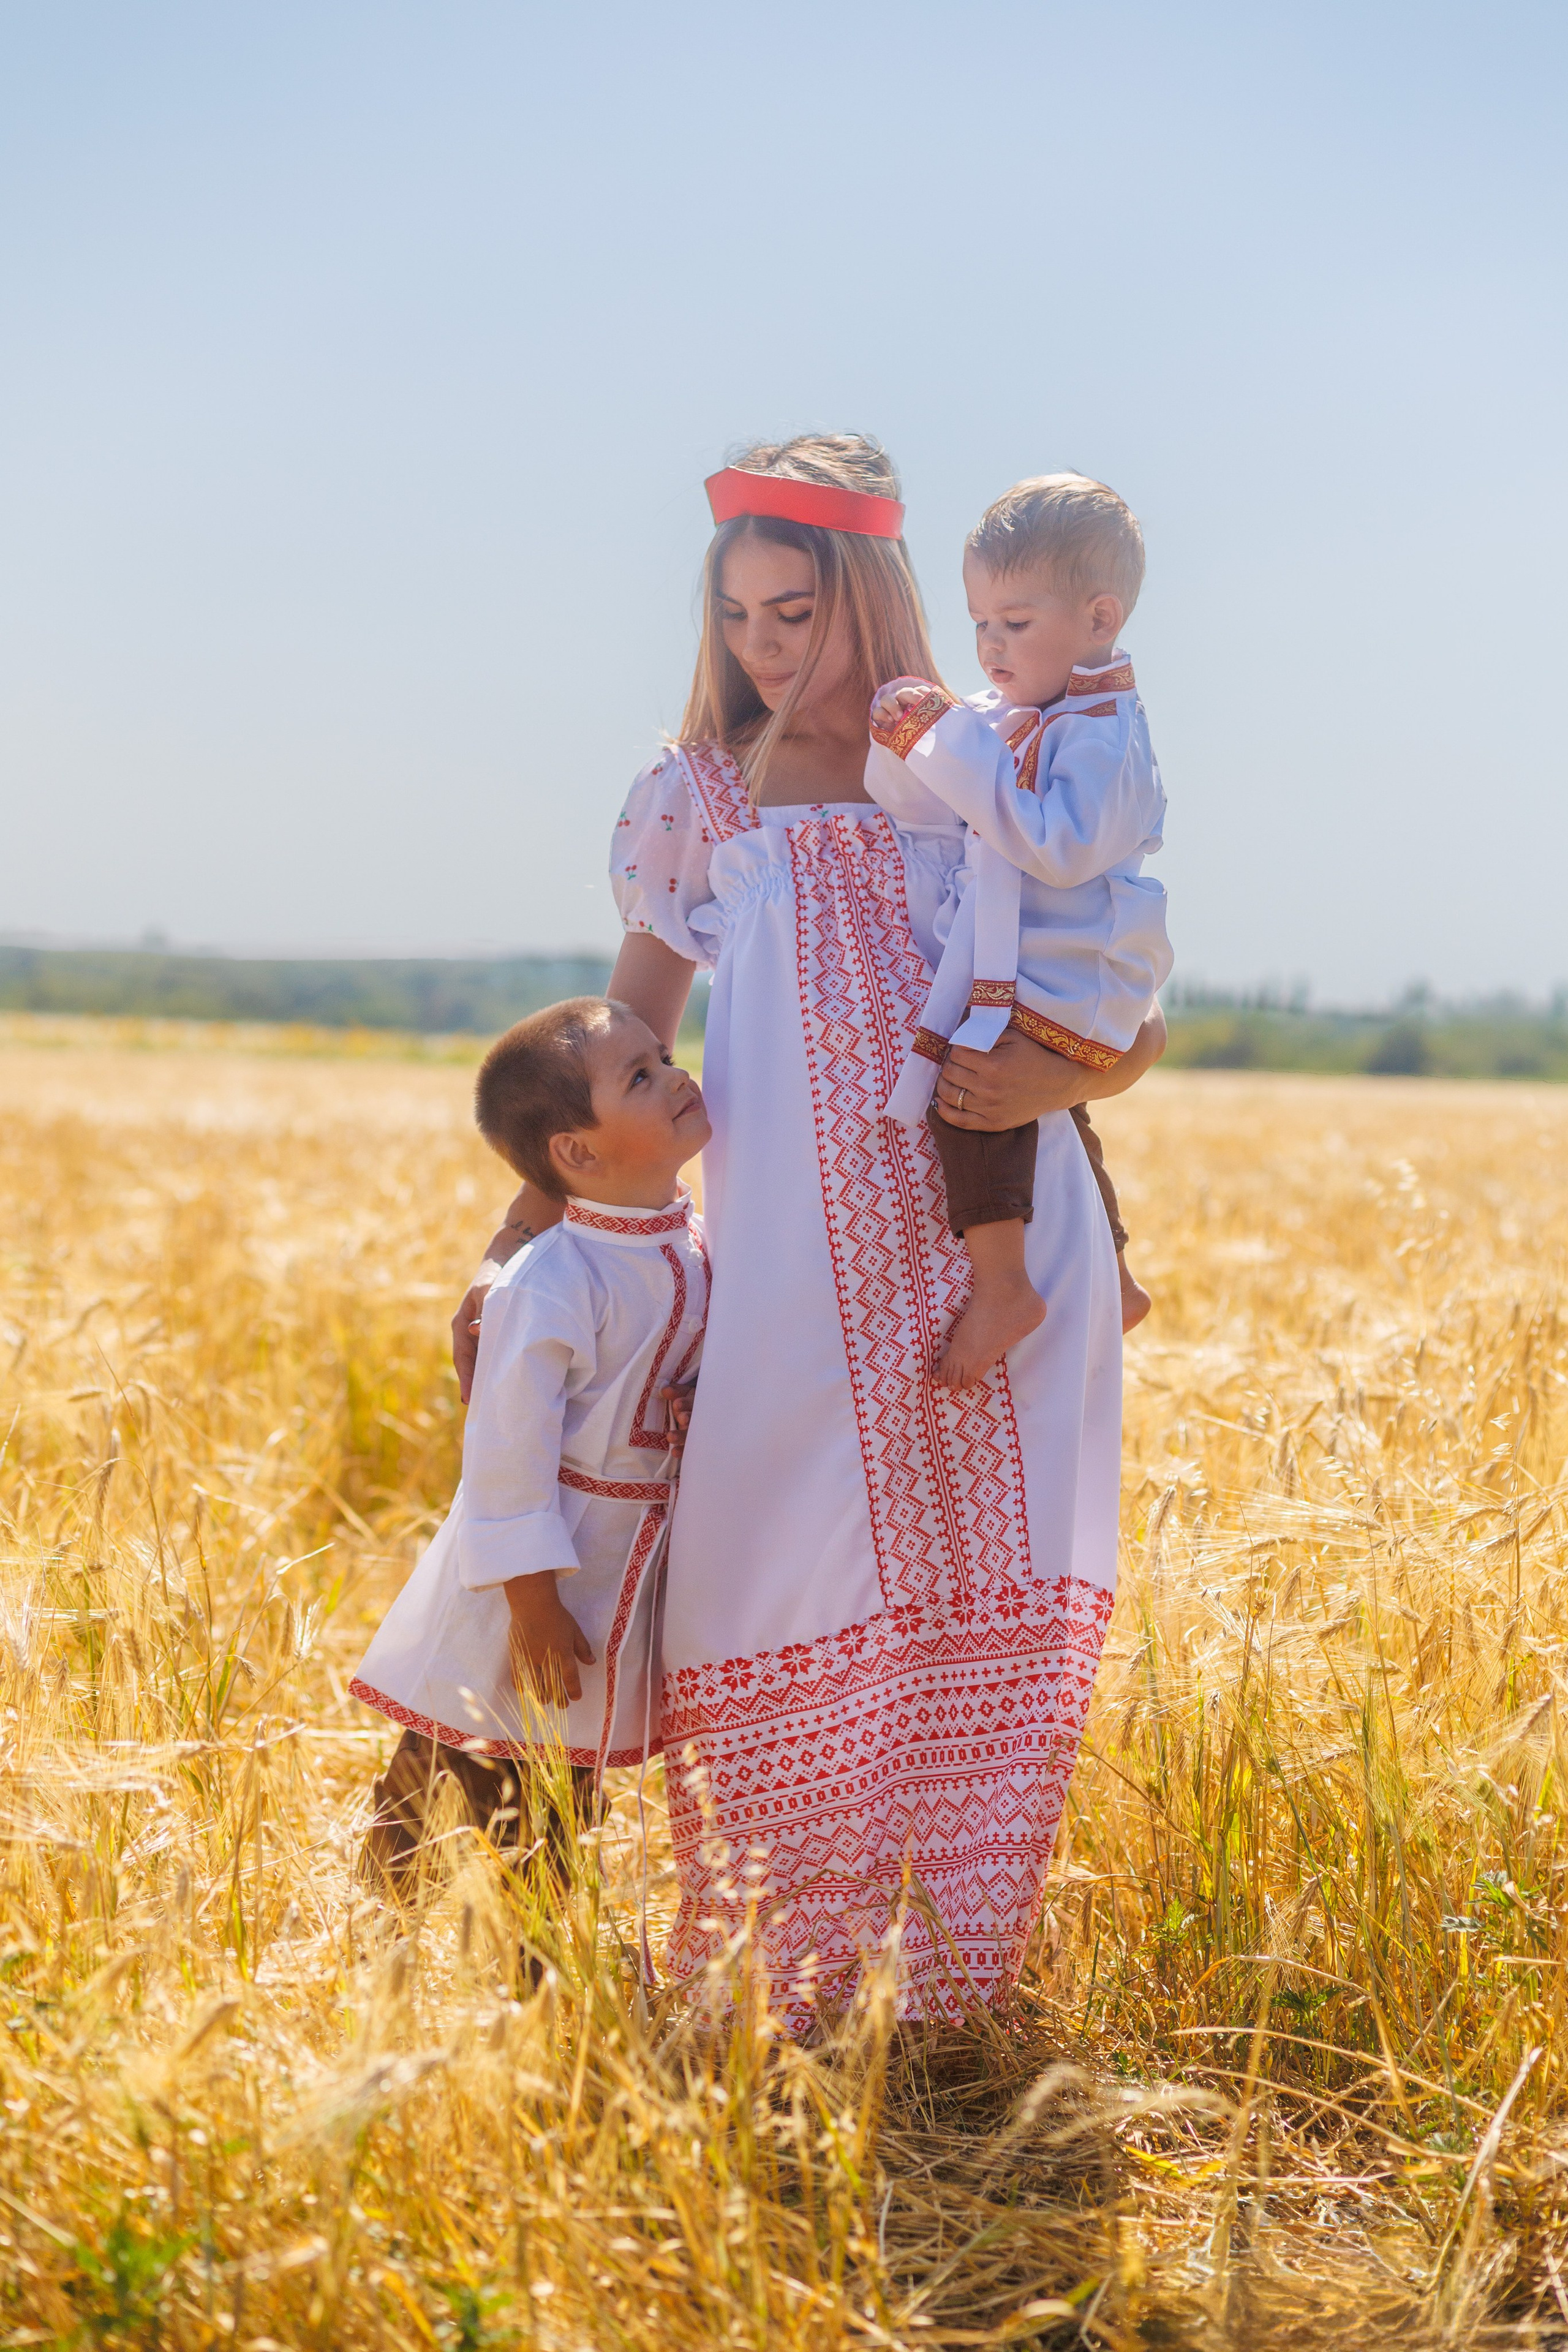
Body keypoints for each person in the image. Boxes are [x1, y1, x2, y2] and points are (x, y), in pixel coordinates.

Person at [450, 434, 1167, 2021]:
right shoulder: (703, 793)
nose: (768, 649)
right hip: (793, 1255)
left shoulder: (984, 760)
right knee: (781, 1563)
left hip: (996, 1225)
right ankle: (787, 1967)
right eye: (741, 621)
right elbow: (623, 1020)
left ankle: (951, 1984)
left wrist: (1095, 1193)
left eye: (798, 612)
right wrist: (520, 1234)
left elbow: (1081, 995)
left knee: (997, 1569)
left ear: (872, 593)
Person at [353, 997, 710, 1902]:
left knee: (546, 1784)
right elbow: (505, 1453)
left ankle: (516, 1972)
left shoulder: (694, 1240)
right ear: (576, 1154)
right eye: (639, 1076)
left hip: (614, 1564)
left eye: (662, 1056)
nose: (674, 1076)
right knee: (468, 1770)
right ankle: (381, 1944)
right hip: (536, 1581)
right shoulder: (552, 1280)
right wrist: (533, 1603)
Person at [864, 473, 1172, 1389]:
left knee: (975, 1092)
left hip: (1079, 965)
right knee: (1059, 1113)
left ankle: (1004, 1286)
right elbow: (946, 802)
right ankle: (1113, 1273)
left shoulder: (1106, 734)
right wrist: (913, 741)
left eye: (1016, 622)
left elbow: (1054, 846)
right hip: (1038, 962)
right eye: (979, 624)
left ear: (1099, 618)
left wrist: (949, 741)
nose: (992, 645)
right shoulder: (1032, 716)